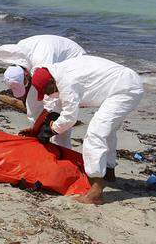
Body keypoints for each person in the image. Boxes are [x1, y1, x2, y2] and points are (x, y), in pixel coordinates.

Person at [30, 55, 144, 205]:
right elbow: (58, 105)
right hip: (125, 84)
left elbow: (70, 117)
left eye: (47, 91)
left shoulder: (66, 81)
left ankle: (96, 191)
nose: (47, 95)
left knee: (95, 134)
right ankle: (109, 175)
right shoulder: (59, 72)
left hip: (125, 90)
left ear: (52, 82)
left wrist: (54, 128)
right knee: (107, 132)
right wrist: (36, 127)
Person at [0, 35, 85, 148]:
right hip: (49, 57)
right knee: (33, 103)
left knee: (61, 111)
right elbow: (31, 101)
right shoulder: (18, 58)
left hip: (73, 60)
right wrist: (35, 128)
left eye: (24, 83)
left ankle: (62, 148)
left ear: (26, 74)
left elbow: (50, 104)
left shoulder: (41, 61)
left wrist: (46, 129)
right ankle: (38, 138)